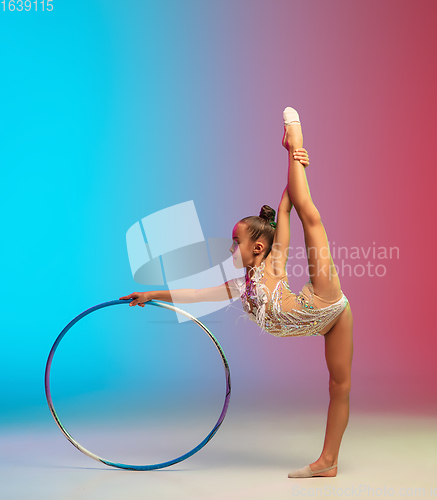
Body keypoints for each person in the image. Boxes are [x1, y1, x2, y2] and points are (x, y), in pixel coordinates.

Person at [120, 107, 354, 478]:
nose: (230, 249)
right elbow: (196, 294)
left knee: (312, 217)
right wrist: (152, 294)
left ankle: (295, 140)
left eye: (235, 242)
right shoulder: (240, 287)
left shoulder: (273, 263)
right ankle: (329, 464)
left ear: (257, 248)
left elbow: (288, 207)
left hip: (325, 302)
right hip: (322, 323)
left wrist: (295, 160)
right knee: (337, 384)